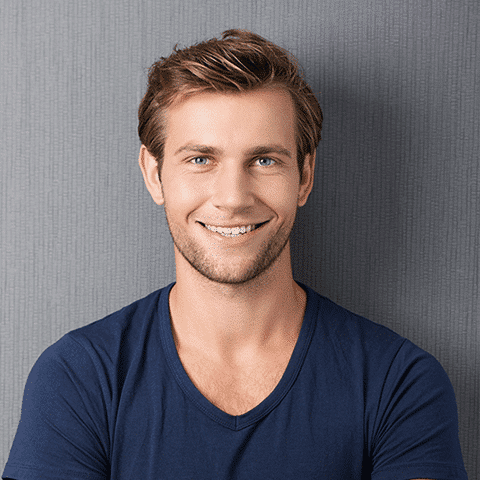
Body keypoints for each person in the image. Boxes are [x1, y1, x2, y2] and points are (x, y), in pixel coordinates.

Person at [3, 29, 467, 480]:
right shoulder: (79, 377)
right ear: (153, 173)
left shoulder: (400, 383)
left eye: (265, 160)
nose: (232, 198)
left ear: (304, 176)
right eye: (200, 159)